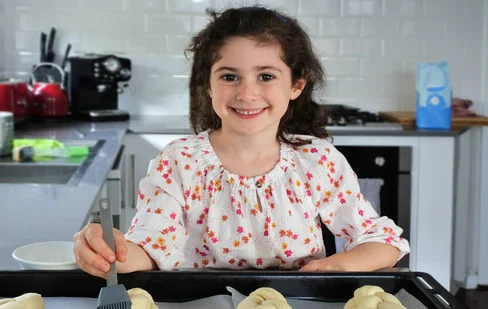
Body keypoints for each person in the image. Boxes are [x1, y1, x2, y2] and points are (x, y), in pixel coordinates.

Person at [73, 6, 410, 278]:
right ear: (208, 85)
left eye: (266, 76)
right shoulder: (178, 162)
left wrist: (336, 265)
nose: (247, 93)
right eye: (229, 76)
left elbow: (382, 242)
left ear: (296, 86)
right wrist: (109, 252)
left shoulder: (317, 160)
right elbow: (147, 251)